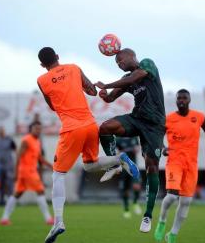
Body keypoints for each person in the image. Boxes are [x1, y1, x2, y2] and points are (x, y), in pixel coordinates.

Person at [36, 47, 139, 243]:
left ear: (42, 65)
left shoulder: (41, 80)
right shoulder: (74, 68)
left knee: (58, 174)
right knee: (89, 164)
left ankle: (58, 221)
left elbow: (52, 105)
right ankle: (119, 158)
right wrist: (86, 87)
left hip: (71, 128)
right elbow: (92, 91)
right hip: (90, 125)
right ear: (58, 56)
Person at [94, 48, 165, 233]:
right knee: (105, 128)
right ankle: (114, 164)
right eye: (116, 62)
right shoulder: (127, 78)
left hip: (154, 125)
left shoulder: (146, 65)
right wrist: (104, 95)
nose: (119, 63)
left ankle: (148, 215)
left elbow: (133, 78)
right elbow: (111, 97)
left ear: (131, 56)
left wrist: (106, 84)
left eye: (120, 59)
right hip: (136, 119)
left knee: (151, 167)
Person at [154, 89, 205, 243]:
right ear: (176, 100)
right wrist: (163, 147)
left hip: (191, 164)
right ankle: (162, 221)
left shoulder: (198, 117)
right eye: (179, 98)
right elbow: (157, 136)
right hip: (174, 162)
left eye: (184, 98)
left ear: (189, 100)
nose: (181, 100)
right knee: (172, 196)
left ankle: (172, 234)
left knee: (185, 202)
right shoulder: (169, 119)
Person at [0, 121, 54, 225]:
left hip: (26, 172)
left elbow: (40, 158)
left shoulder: (37, 141)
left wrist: (51, 166)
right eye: (36, 128)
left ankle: (4, 218)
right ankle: (48, 219)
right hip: (28, 171)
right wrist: (15, 172)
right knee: (40, 191)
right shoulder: (26, 140)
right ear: (31, 129)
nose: (38, 131)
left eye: (39, 129)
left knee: (17, 194)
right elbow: (18, 156)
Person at [115, 136, 142, 218]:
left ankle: (135, 202)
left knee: (137, 186)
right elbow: (117, 153)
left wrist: (134, 149)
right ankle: (126, 209)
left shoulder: (134, 138)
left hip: (133, 167)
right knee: (125, 190)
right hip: (124, 168)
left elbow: (137, 149)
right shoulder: (118, 139)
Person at [0, 126, 17, 205]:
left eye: (1, 131)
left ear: (4, 131)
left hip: (9, 165)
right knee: (1, 184)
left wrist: (17, 161)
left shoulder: (9, 140)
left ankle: (11, 201)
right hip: (0, 165)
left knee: (10, 183)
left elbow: (15, 149)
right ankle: (1, 200)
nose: (0, 132)